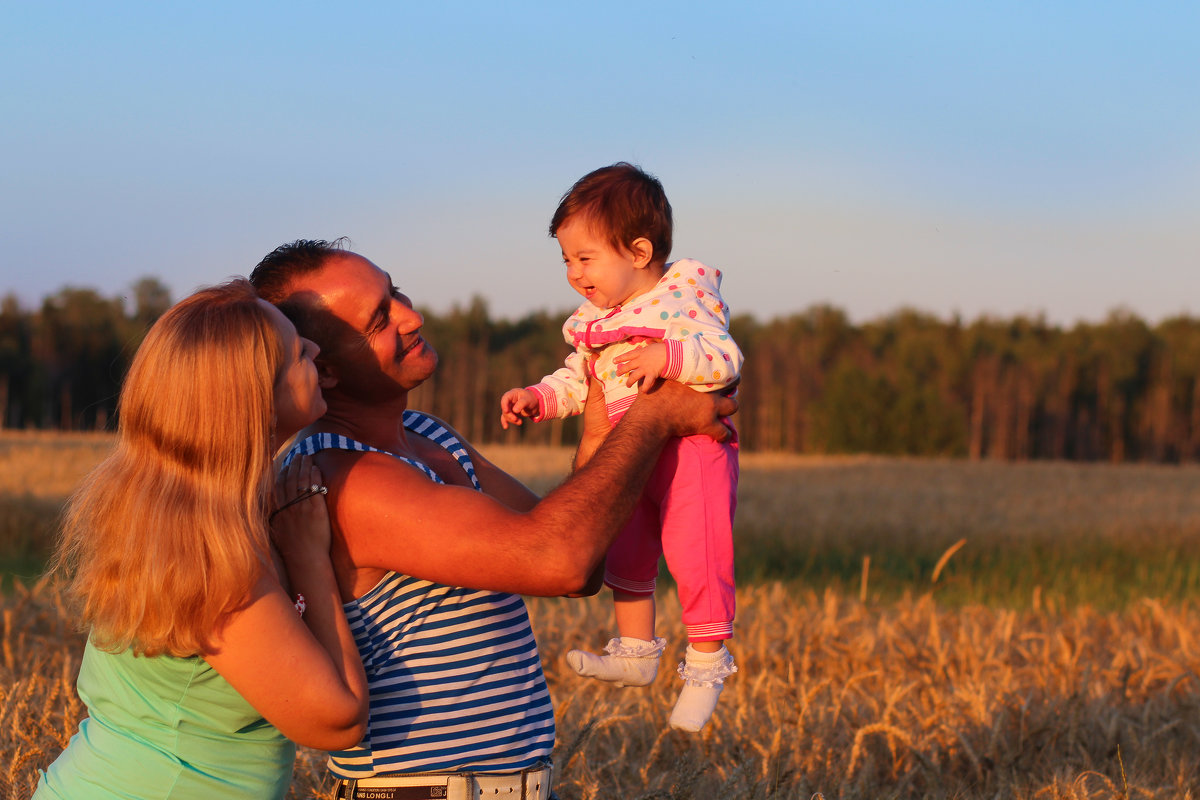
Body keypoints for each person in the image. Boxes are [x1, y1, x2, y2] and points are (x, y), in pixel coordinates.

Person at [249, 239, 736, 799]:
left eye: (397, 293)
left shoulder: (428, 437)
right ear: (325, 370)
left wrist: (605, 415)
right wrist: (653, 417)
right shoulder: (346, 478)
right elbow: (563, 563)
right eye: (380, 319)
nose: (412, 316)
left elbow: (587, 550)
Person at [34, 281, 369, 800]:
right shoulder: (206, 549)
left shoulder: (175, 510)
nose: (316, 350)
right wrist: (308, 556)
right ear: (251, 396)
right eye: (297, 350)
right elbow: (338, 722)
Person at [499, 162, 741, 732]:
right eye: (565, 260)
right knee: (625, 546)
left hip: (691, 452)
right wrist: (538, 396)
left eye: (585, 259)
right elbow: (580, 380)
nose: (573, 274)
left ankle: (706, 666)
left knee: (696, 552)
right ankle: (636, 650)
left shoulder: (683, 299)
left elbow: (726, 359)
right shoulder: (595, 320)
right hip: (631, 454)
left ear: (638, 251)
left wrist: (670, 359)